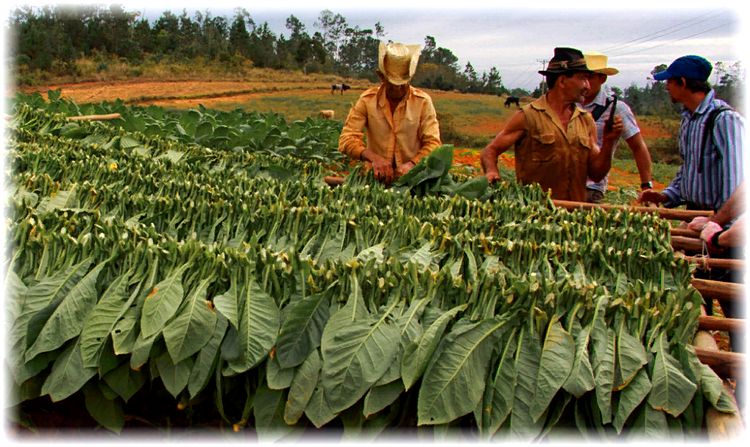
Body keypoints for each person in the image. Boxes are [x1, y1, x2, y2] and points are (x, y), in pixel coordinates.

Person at [480, 47, 623, 202]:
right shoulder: (528, 116)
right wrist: (491, 172)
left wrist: (609, 143)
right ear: (562, 81)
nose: (587, 86)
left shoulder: (586, 121)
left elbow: (596, 175)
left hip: (572, 218)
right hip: (536, 215)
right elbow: (490, 151)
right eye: (582, 78)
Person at [638, 55, 744, 212]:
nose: (667, 87)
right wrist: (665, 196)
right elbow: (690, 169)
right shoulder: (689, 119)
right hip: (696, 213)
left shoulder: (724, 120)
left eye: (670, 82)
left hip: (720, 219)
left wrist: (719, 223)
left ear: (683, 82)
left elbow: (736, 182)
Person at [338, 42, 441, 185]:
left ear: (410, 77)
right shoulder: (367, 100)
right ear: (381, 77)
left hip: (412, 181)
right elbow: (346, 139)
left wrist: (412, 164)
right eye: (392, 84)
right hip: (374, 179)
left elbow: (433, 144)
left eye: (402, 83)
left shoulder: (423, 102)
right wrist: (374, 158)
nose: (398, 89)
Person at [581, 52, 654, 203]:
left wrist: (646, 185)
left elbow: (638, 146)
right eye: (581, 76)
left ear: (602, 78)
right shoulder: (569, 104)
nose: (585, 83)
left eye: (590, 76)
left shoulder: (616, 109)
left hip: (592, 187)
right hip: (562, 184)